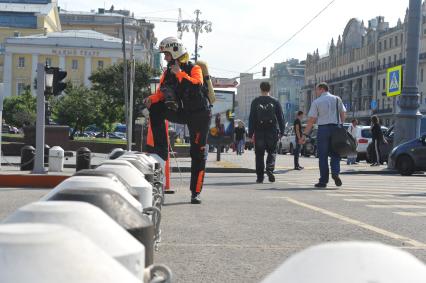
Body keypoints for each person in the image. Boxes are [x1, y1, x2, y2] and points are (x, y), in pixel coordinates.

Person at [144, 37, 211, 204]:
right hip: (182, 112)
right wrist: (151, 98)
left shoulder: (194, 68)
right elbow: (161, 93)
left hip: (199, 115)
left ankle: (195, 192)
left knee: (198, 153)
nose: (165, 58)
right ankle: (161, 151)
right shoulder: (167, 73)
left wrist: (179, 74)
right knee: (156, 107)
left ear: (175, 52)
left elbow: (196, 86)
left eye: (166, 54)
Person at [303, 82, 346, 188]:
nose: (316, 92)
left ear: (321, 89)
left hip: (323, 129)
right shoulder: (337, 99)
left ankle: (323, 181)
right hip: (336, 128)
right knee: (336, 153)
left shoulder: (317, 102)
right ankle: (335, 173)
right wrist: (340, 125)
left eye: (316, 90)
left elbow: (312, 120)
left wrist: (304, 134)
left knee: (323, 156)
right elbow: (343, 114)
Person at [248, 82, 285, 183]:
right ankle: (269, 169)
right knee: (272, 151)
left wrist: (250, 134)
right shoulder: (275, 101)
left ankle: (260, 177)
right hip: (272, 131)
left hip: (259, 131)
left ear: (260, 89)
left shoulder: (255, 101)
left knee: (259, 154)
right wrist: (282, 131)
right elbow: (281, 117)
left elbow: (251, 118)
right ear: (270, 89)